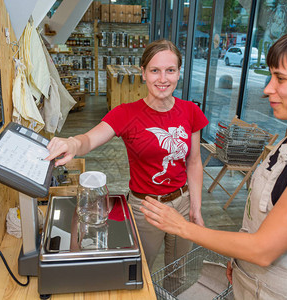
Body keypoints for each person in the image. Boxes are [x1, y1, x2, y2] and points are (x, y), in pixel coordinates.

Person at [140, 22, 287, 299]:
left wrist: (180, 226)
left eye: (281, 78)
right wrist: (240, 260)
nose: (267, 89)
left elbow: (263, 249)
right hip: (250, 281)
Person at [46, 39, 209, 275]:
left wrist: (196, 206)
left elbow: (193, 162)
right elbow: (89, 139)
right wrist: (72, 143)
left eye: (170, 70)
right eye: (155, 70)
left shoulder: (191, 111)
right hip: (145, 208)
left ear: (178, 73)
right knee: (140, 271)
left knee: (178, 272)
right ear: (143, 73)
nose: (163, 79)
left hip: (182, 204)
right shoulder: (126, 114)